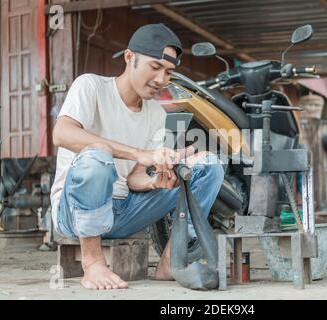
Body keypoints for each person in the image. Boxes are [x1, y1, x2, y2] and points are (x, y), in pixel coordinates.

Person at [50, 23, 224, 290]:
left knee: (208, 164)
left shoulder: (157, 114)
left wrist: (155, 181)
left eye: (168, 72)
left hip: (124, 213)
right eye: (155, 67)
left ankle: (172, 261)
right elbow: (62, 133)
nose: (161, 80)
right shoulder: (91, 87)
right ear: (130, 57)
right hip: (74, 214)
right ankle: (93, 263)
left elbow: (134, 179)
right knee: (96, 156)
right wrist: (139, 153)